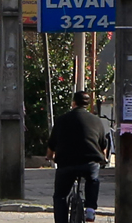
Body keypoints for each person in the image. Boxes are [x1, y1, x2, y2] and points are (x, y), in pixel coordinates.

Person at [47, 91, 110, 223]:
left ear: (73, 103)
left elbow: (52, 144)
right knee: (93, 180)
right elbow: (103, 144)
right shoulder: (96, 121)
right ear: (87, 104)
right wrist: (103, 158)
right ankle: (90, 209)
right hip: (90, 162)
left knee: (60, 196)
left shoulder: (62, 120)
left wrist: (50, 157)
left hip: (66, 163)